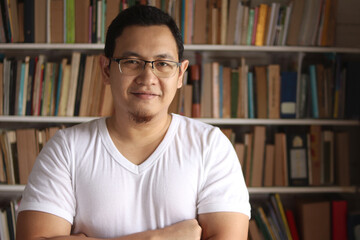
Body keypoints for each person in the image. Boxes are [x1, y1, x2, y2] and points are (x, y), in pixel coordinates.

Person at [16, 5, 250, 240]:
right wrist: (157, 238)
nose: (148, 78)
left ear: (180, 74)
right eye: (131, 62)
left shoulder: (210, 147)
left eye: (163, 64)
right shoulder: (66, 149)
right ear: (106, 69)